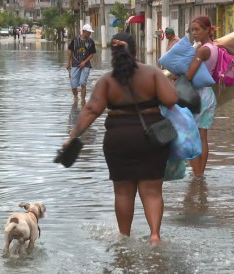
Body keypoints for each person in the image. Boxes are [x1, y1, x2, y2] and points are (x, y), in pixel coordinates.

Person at [62, 32, 178, 243]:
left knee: (123, 193)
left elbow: (90, 111)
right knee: (152, 191)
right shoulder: (152, 73)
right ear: (134, 49)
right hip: (152, 138)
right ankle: (154, 236)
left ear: (114, 54)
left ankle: (124, 237)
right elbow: (171, 99)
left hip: (118, 140)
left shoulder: (107, 80)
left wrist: (72, 137)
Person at [185, 16, 218, 177]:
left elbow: (189, 75)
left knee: (191, 135)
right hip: (209, 95)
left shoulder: (203, 50)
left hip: (197, 96)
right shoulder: (214, 47)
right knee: (203, 136)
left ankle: (196, 175)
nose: (194, 33)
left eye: (197, 29)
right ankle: (200, 176)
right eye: (192, 30)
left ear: (207, 30)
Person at [66, 24, 96, 101]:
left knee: (83, 83)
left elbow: (92, 54)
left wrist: (84, 62)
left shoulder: (91, 42)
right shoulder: (75, 40)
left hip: (86, 65)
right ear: (83, 31)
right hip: (75, 63)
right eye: (88, 32)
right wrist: (68, 63)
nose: (89, 34)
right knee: (73, 84)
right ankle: (76, 98)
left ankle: (83, 101)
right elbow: (70, 51)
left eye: (90, 32)